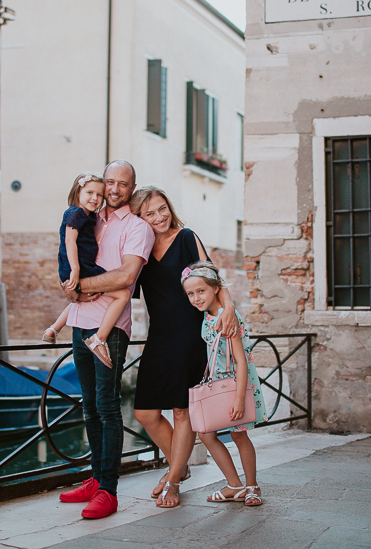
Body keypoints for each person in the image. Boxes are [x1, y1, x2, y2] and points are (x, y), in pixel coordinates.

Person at [129, 186, 241, 508]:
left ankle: (174, 479)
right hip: (159, 337)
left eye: (162, 208)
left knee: (181, 411)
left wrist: (228, 306)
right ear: (139, 218)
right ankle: (179, 465)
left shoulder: (186, 237)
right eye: (149, 213)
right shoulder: (141, 249)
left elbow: (211, 277)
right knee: (145, 413)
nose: (159, 216)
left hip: (191, 335)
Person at [56, 160, 154, 519]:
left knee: (108, 406)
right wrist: (69, 288)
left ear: (131, 187)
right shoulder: (90, 218)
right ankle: (96, 480)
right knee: (89, 406)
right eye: (109, 182)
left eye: (122, 184)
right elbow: (72, 258)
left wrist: (79, 285)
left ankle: (109, 491)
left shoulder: (138, 227)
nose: (113, 189)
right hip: (80, 323)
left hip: (109, 329)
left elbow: (126, 277)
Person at [181, 261, 266, 507]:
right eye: (191, 294)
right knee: (206, 433)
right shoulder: (208, 315)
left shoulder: (226, 318)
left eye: (201, 291)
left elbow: (240, 360)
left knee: (239, 435)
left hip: (234, 384)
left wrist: (239, 399)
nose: (196, 298)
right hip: (219, 383)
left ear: (216, 289)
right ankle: (234, 485)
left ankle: (252, 486)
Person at [41, 172, 130, 368]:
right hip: (81, 268)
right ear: (77, 192)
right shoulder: (74, 213)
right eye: (89, 192)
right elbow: (69, 241)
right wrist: (75, 271)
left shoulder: (88, 217)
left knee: (81, 298)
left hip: (82, 268)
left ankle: (53, 329)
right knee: (123, 294)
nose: (95, 198)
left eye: (99, 195)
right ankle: (100, 339)